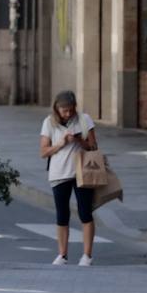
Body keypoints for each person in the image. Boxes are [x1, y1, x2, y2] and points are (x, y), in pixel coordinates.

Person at [39, 90, 99, 267]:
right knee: (62, 214)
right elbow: (43, 151)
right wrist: (60, 143)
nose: (67, 114)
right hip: (59, 174)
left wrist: (79, 140)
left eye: (70, 110)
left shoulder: (84, 119)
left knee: (85, 212)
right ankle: (62, 255)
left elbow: (93, 146)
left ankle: (87, 256)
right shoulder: (49, 123)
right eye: (64, 110)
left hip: (82, 173)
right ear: (57, 109)